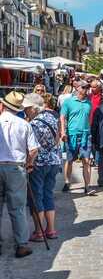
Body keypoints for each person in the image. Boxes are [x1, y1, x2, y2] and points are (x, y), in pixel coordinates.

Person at [0, 91, 39, 258]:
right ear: (18, 109)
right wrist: (29, 163)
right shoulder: (24, 124)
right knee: (18, 208)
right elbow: (34, 149)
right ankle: (21, 245)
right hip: (16, 168)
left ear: (2, 106)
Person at [23, 93, 62, 242]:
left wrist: (28, 163)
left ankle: (39, 232)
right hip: (53, 161)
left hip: (38, 164)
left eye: (27, 108)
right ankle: (51, 229)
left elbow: (33, 148)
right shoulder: (52, 117)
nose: (25, 111)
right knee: (48, 195)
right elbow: (57, 138)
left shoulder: (33, 124)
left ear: (33, 108)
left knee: (37, 197)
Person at [60, 80, 95, 195]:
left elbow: (89, 118)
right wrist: (62, 131)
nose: (86, 89)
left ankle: (87, 186)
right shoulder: (68, 102)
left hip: (86, 135)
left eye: (87, 87)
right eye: (84, 87)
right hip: (71, 135)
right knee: (69, 160)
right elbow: (62, 117)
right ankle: (67, 182)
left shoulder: (88, 103)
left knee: (87, 160)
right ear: (77, 88)